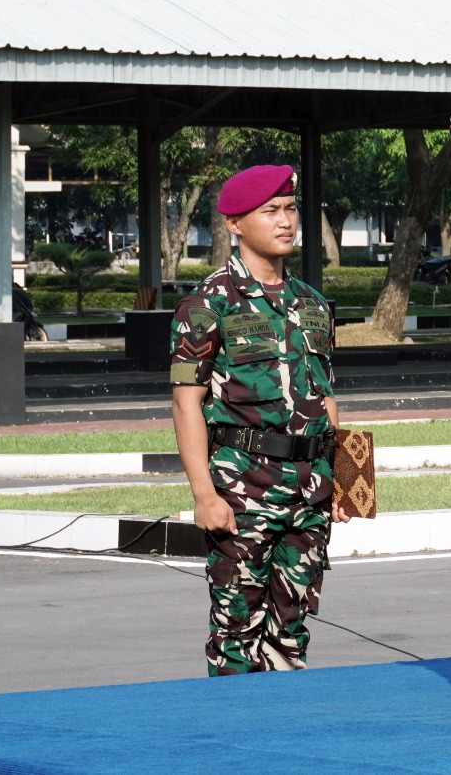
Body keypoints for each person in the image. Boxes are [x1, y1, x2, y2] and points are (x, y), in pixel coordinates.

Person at [168, 164, 349, 676]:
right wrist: (204, 495)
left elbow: (325, 396)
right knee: (236, 630)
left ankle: (285, 740)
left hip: (309, 489)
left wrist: (346, 482)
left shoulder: (311, 303)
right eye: (270, 211)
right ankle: (235, 746)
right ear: (234, 224)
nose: (286, 221)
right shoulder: (207, 304)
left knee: (292, 628)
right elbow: (186, 403)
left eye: (291, 209)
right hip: (241, 489)